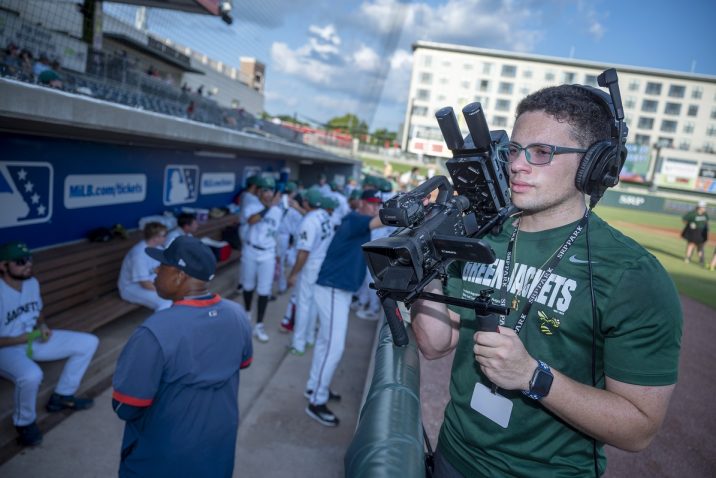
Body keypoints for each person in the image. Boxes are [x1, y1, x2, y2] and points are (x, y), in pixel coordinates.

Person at [410, 84, 682, 476]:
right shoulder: (484, 236)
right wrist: (426, 258)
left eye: (542, 152)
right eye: (515, 150)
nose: (517, 165)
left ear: (592, 165)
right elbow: (436, 344)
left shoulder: (634, 276)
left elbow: (638, 429)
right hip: (453, 455)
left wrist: (534, 377)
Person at [112, 236, 253, 477]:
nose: (156, 269)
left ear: (179, 276)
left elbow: (126, 406)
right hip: (218, 444)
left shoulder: (154, 331)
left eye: (163, 266)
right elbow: (244, 362)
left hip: (164, 456)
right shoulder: (237, 313)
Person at [0, 241, 98, 447]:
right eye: (20, 261)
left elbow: (37, 311)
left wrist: (42, 325)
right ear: (3, 266)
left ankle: (62, 395)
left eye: (29, 259)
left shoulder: (31, 283)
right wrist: (26, 338)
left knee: (88, 342)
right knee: (31, 375)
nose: (27, 264)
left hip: (32, 339)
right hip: (7, 349)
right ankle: (24, 422)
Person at [304, 190, 384, 426]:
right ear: (361, 203)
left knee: (324, 343)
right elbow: (381, 220)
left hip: (336, 289)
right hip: (331, 289)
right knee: (334, 347)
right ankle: (316, 401)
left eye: (377, 203)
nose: (374, 207)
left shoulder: (358, 220)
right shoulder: (356, 218)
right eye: (371, 203)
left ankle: (314, 387)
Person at [287, 189, 334, 355]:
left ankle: (298, 344)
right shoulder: (323, 214)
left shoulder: (309, 221)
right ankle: (309, 338)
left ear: (307, 203)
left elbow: (303, 253)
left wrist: (293, 273)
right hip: (321, 262)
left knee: (303, 304)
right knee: (313, 302)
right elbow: (309, 216)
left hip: (310, 264)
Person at [240, 176, 282, 343]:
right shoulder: (251, 205)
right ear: (258, 191)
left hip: (268, 253)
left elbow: (276, 233)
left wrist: (278, 254)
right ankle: (247, 315)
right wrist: (270, 207)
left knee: (264, 290)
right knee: (248, 285)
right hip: (251, 250)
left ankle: (259, 324)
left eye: (270, 190)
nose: (267, 193)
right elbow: (251, 220)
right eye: (264, 189)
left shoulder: (278, 211)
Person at [118, 222, 172, 311]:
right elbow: (145, 284)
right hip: (131, 288)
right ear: (155, 237)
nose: (166, 237)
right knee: (166, 302)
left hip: (151, 281)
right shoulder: (139, 255)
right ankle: (158, 324)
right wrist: (165, 290)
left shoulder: (158, 247)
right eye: (164, 235)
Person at [681, 200, 709, 265]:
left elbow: (707, 222)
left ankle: (701, 260)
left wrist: (706, 228)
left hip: (701, 232)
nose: (704, 208)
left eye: (705, 207)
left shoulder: (705, 214)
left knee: (700, 246)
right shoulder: (692, 213)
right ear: (699, 207)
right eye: (703, 207)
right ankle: (687, 258)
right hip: (693, 231)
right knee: (691, 244)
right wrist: (690, 224)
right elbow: (684, 220)